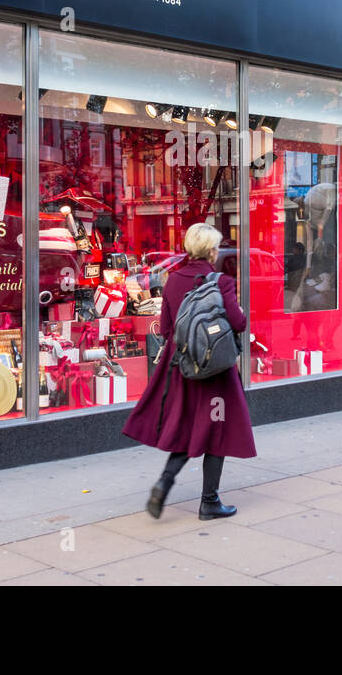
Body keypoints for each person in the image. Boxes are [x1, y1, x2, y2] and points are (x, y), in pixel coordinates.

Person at [122, 222, 256, 520]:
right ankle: (209, 502)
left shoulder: (171, 281)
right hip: (215, 371)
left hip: (182, 368)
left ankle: (164, 483)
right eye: (217, 246)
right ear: (210, 250)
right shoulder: (221, 281)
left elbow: (166, 329)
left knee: (188, 429)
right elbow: (239, 323)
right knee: (216, 428)